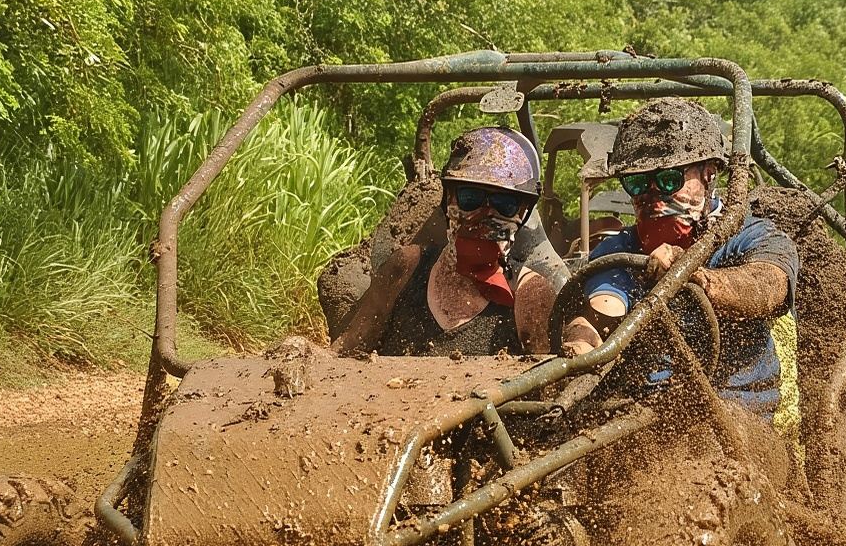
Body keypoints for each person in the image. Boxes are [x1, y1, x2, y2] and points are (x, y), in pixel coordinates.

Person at [560, 98, 799, 425]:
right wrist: (580, 340)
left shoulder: (753, 237)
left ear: (709, 174)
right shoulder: (620, 250)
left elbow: (766, 288)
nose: (651, 196)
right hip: (642, 414)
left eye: (669, 180)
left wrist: (692, 273)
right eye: (637, 183)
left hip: (742, 412)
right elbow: (601, 311)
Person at [333, 127, 568, 357]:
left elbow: (547, 377)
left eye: (504, 204)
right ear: (449, 200)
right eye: (470, 198)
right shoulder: (406, 267)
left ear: (523, 212)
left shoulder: (529, 294)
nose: (483, 215)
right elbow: (346, 351)